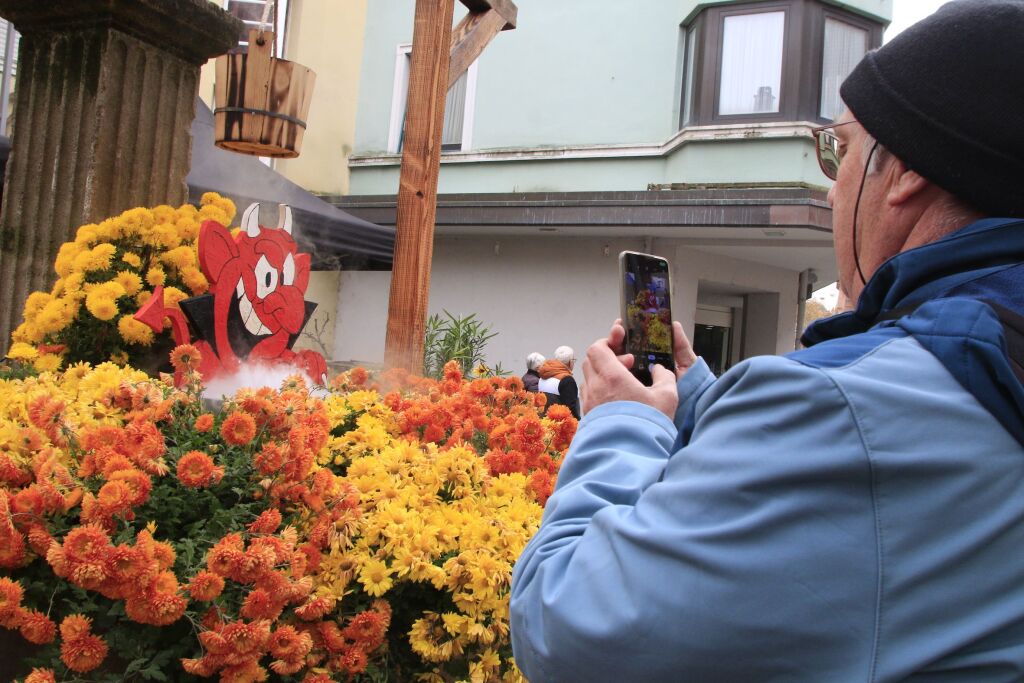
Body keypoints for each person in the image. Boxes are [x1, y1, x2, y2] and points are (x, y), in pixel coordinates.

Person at [510, 2, 1024, 681]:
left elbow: (569, 624)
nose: (834, 184)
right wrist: (696, 395)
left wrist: (619, 425)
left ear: (908, 173)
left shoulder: (841, 411)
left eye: (842, 150)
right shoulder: (982, 360)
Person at [536, 346, 580, 419]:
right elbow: (570, 408)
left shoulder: (543, 376)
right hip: (561, 424)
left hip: (545, 422)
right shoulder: (567, 380)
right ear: (570, 362)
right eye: (573, 360)